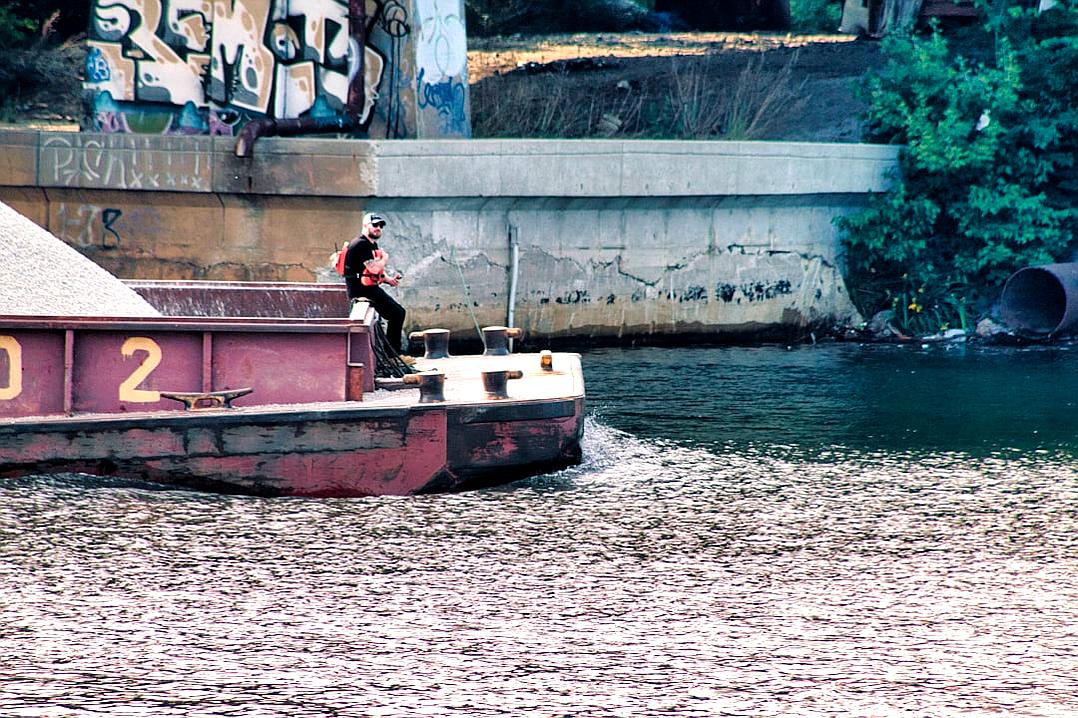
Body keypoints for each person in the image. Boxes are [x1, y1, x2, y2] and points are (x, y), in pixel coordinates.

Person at [342, 212, 407, 353]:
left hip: (369, 288)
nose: (379, 228)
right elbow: (374, 267)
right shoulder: (360, 244)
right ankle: (393, 354)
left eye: (381, 226)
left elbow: (372, 271)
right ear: (365, 225)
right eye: (375, 225)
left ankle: (392, 353)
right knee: (397, 314)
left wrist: (387, 279)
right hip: (361, 291)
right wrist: (384, 258)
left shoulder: (371, 244)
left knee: (397, 313)